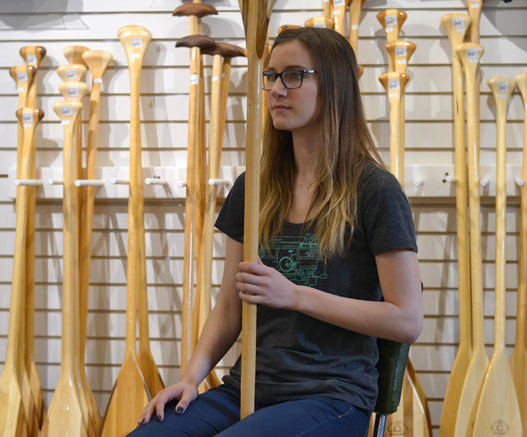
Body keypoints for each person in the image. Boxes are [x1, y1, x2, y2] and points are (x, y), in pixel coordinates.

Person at [127, 26, 423, 437]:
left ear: (334, 85)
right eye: (271, 76)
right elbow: (230, 307)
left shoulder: (375, 191)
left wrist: (296, 296)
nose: (277, 89)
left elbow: (406, 320)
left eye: (295, 75)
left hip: (332, 398)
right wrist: (191, 378)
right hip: (246, 390)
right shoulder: (254, 188)